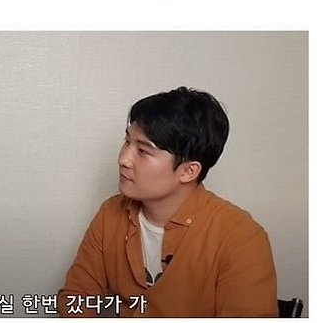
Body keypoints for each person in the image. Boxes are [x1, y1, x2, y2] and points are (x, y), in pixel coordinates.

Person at [58, 87, 277, 317]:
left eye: (143, 151)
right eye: (127, 141)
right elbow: (76, 296)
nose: (123, 159)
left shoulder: (240, 238)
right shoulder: (111, 213)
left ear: (188, 171)